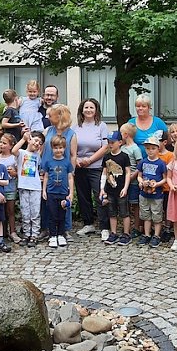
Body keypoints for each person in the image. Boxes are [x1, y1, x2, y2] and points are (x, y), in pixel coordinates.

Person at [74, 98, 109, 238]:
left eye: (91, 108)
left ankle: (104, 227)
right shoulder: (76, 127)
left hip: (96, 166)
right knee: (83, 196)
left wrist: (90, 160)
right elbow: (72, 147)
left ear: (96, 110)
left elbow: (105, 147)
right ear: (82, 110)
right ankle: (88, 224)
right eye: (86, 107)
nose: (88, 110)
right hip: (79, 167)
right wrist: (76, 159)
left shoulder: (101, 126)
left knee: (99, 195)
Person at [41, 104, 78, 235]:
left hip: (63, 171)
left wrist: (71, 172)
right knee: (47, 200)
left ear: (59, 116)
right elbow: (42, 151)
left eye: (50, 115)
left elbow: (73, 155)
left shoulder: (71, 134)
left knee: (64, 199)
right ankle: (47, 228)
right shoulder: (47, 131)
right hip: (48, 169)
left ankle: (65, 229)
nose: (47, 117)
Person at [12, 130, 45, 246]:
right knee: (25, 212)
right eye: (36, 140)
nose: (37, 144)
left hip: (35, 187)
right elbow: (13, 150)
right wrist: (24, 139)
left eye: (40, 143)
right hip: (23, 186)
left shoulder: (38, 155)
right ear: (30, 140)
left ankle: (34, 235)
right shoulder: (21, 153)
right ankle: (26, 234)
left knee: (35, 212)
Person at [99, 130, 131, 245]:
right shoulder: (106, 157)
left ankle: (126, 234)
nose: (110, 144)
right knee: (111, 212)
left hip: (121, 189)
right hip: (109, 190)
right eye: (109, 142)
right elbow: (104, 173)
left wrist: (125, 188)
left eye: (113, 142)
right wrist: (102, 189)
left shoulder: (124, 157)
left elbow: (128, 173)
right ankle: (113, 233)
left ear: (120, 142)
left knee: (124, 212)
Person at [42, 134, 74, 247]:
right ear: (52, 148)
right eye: (56, 148)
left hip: (63, 193)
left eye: (60, 147)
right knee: (52, 214)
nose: (58, 150)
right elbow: (46, 176)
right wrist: (44, 190)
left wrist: (71, 193)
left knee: (62, 215)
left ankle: (61, 234)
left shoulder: (67, 163)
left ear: (64, 148)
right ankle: (52, 236)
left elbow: (70, 178)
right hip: (51, 192)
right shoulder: (49, 162)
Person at [136, 135, 168, 248]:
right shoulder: (143, 162)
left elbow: (165, 178)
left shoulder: (161, 163)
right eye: (148, 148)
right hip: (144, 193)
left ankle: (157, 235)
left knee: (157, 215)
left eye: (153, 148)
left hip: (157, 194)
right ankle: (146, 234)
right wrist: (141, 182)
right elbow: (139, 175)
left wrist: (157, 184)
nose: (150, 151)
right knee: (146, 215)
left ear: (158, 149)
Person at [119, 122, 143, 237]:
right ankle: (126, 227)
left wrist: (133, 176)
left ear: (125, 134)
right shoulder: (122, 148)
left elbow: (140, 165)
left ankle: (137, 227)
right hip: (123, 181)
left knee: (135, 205)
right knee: (125, 204)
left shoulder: (135, 149)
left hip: (133, 182)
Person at [0, 133, 20, 243]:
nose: (1, 145)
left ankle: (12, 231)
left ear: (11, 145)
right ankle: (2, 232)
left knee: (10, 211)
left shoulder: (14, 158)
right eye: (0, 142)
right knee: (0, 211)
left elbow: (19, 173)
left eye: (4, 143)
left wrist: (14, 173)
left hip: (10, 188)